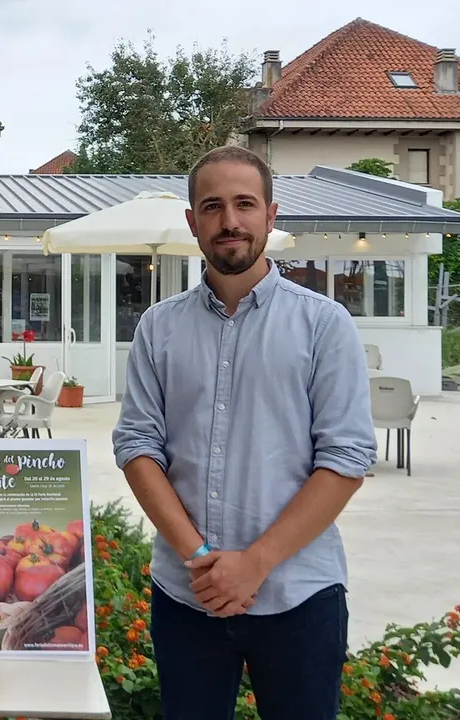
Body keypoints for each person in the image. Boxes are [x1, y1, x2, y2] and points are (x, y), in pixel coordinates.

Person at [111, 146, 377, 720]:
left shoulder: (323, 325)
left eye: (244, 204)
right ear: (193, 222)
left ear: (270, 215)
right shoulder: (158, 328)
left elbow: (347, 457)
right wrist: (202, 558)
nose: (229, 220)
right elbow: (137, 446)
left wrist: (254, 563)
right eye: (212, 206)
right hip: (187, 596)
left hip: (299, 593)